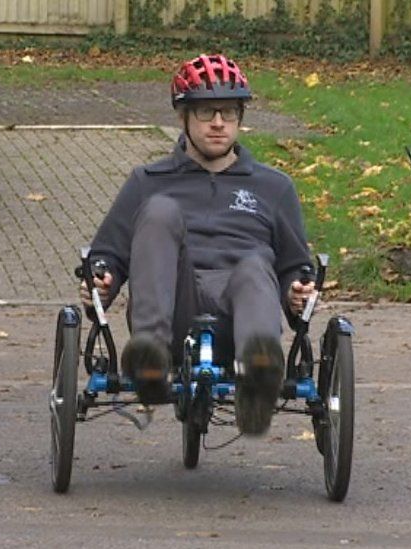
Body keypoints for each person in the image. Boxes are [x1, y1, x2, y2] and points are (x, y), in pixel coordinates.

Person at [81, 54, 315, 436]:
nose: (219, 124)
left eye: (229, 112)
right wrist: (103, 278)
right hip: (173, 305)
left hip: (240, 310)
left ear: (241, 117)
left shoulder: (274, 187)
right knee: (159, 212)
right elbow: (109, 251)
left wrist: (296, 290)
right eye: (207, 112)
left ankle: (258, 375)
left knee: (256, 262)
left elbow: (294, 263)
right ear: (183, 117)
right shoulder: (147, 180)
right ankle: (149, 358)